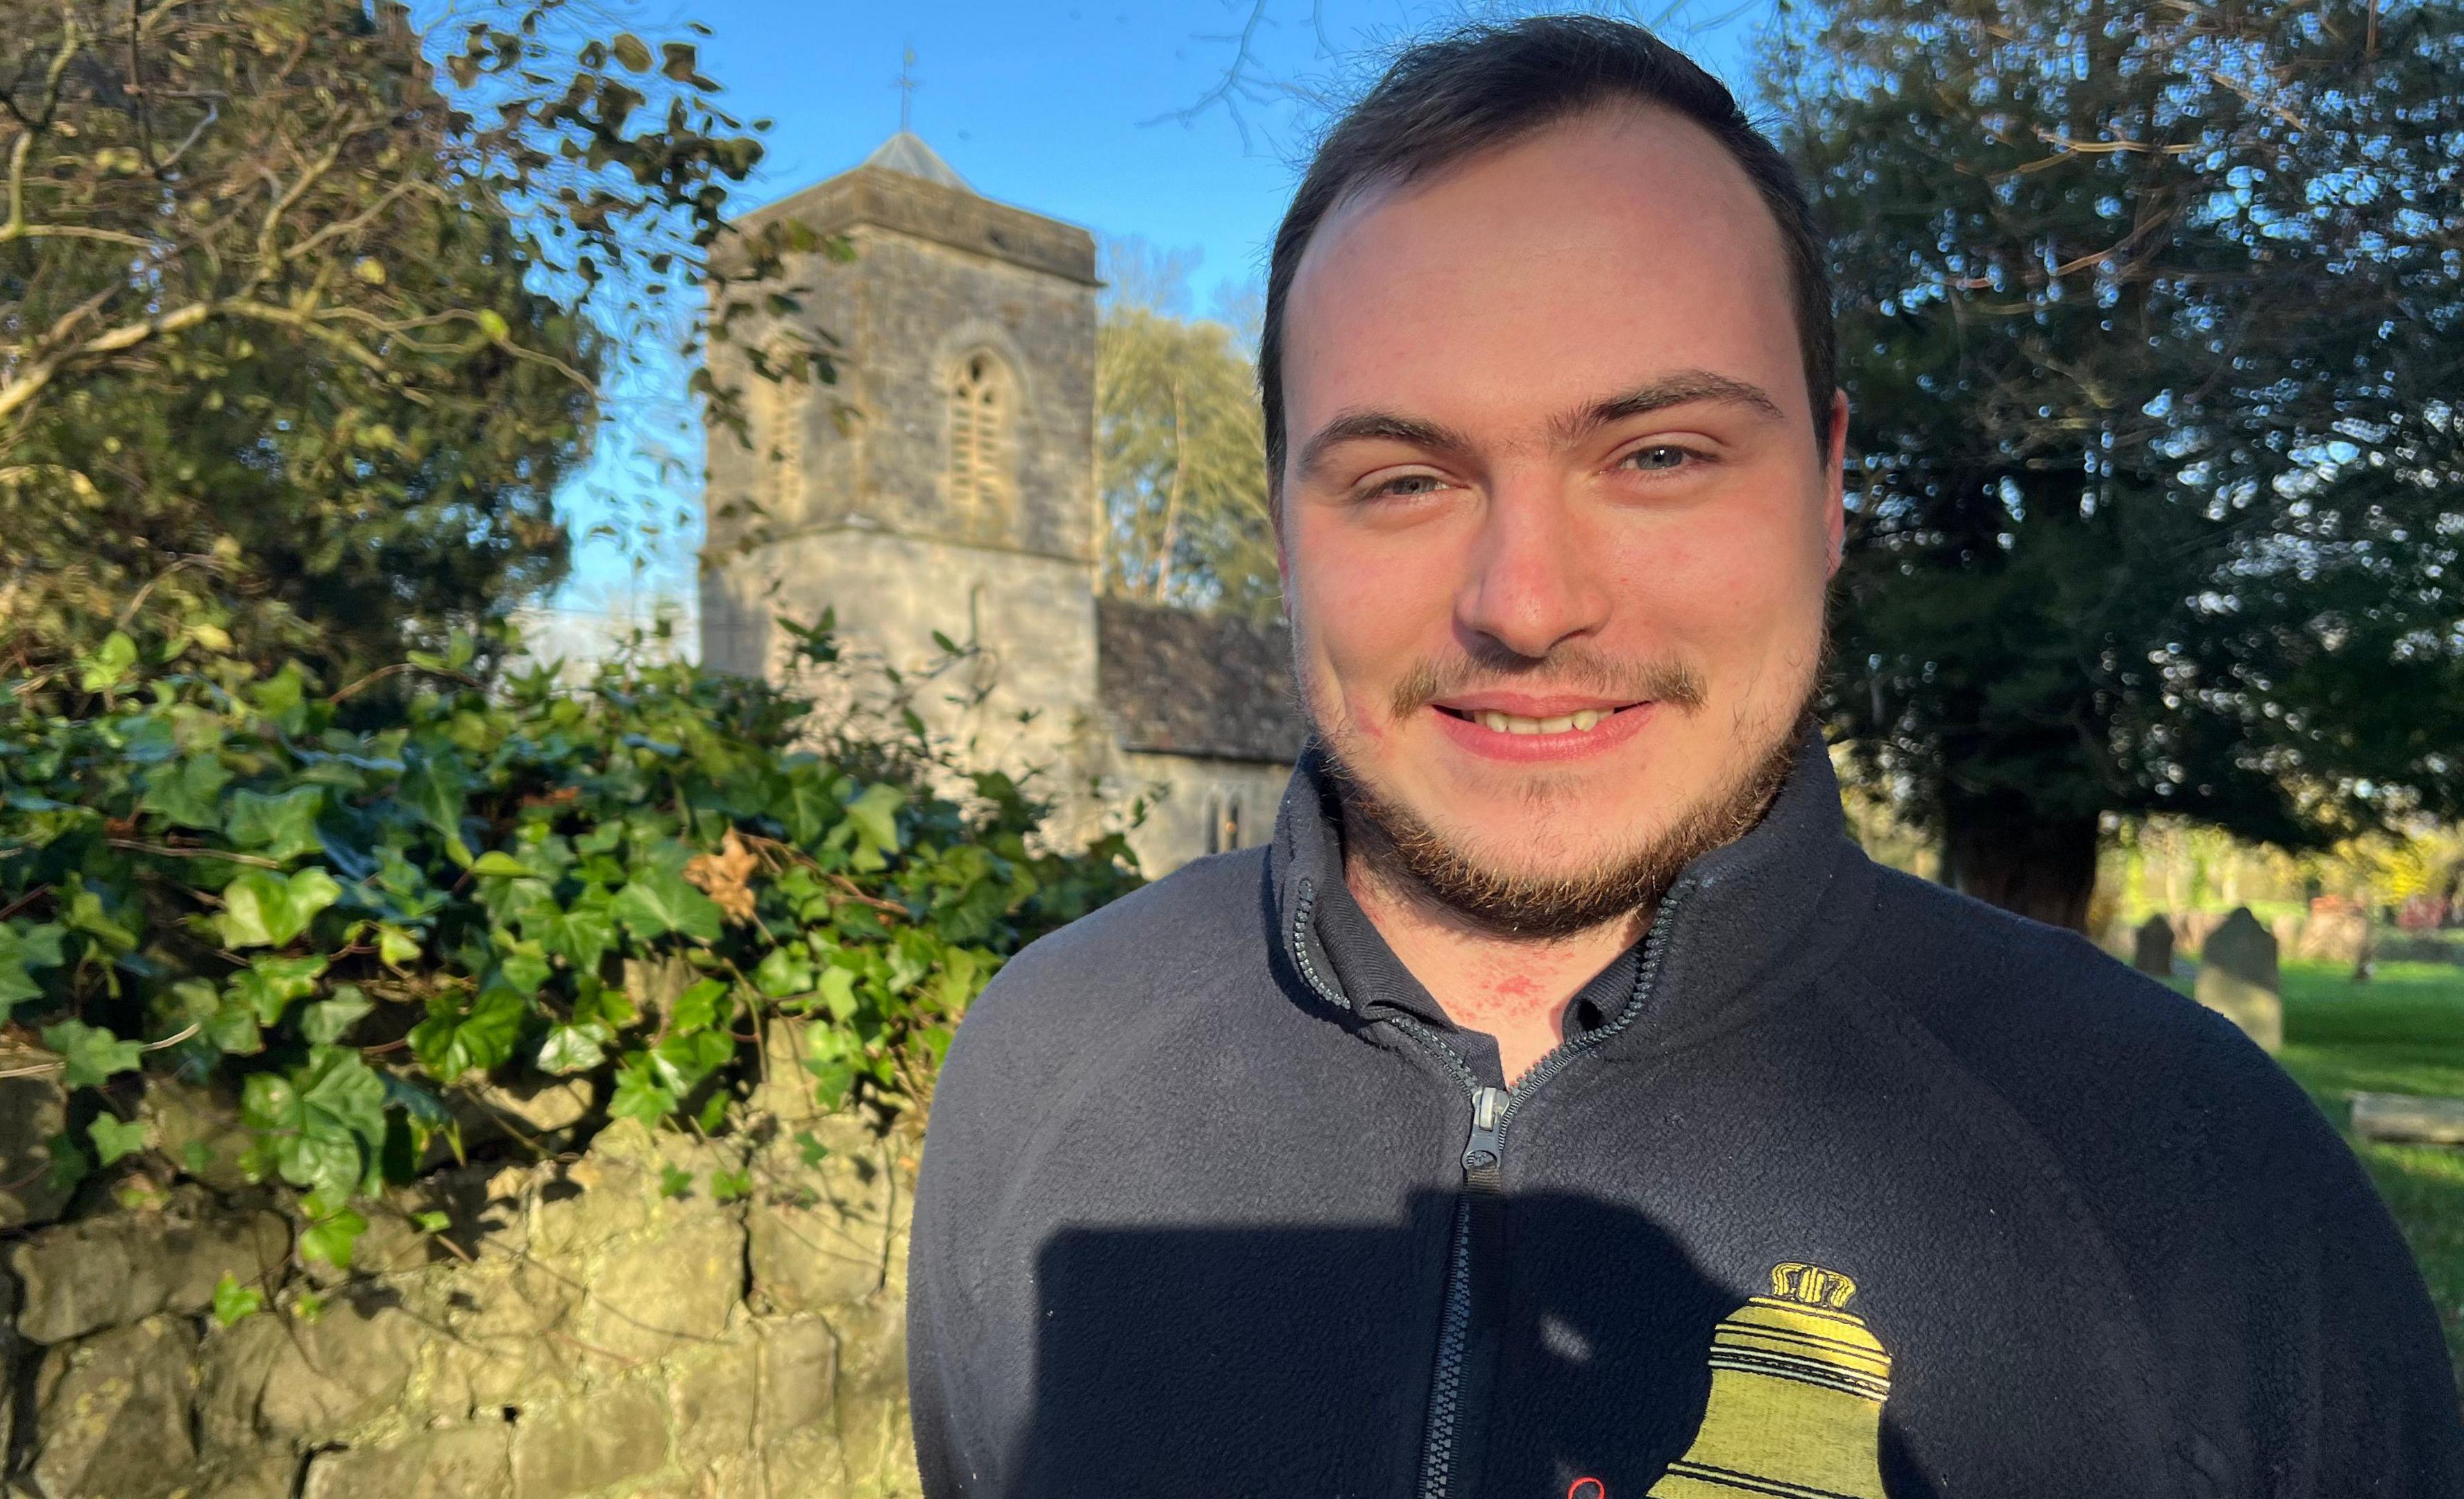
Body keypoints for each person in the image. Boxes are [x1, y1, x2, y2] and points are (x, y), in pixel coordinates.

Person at [906, 17, 2463, 1498]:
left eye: (1659, 456)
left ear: (1832, 483)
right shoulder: (1042, 1063)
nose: (1526, 605)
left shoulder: (2198, 1181)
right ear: (1283, 528)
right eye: (1400, 479)